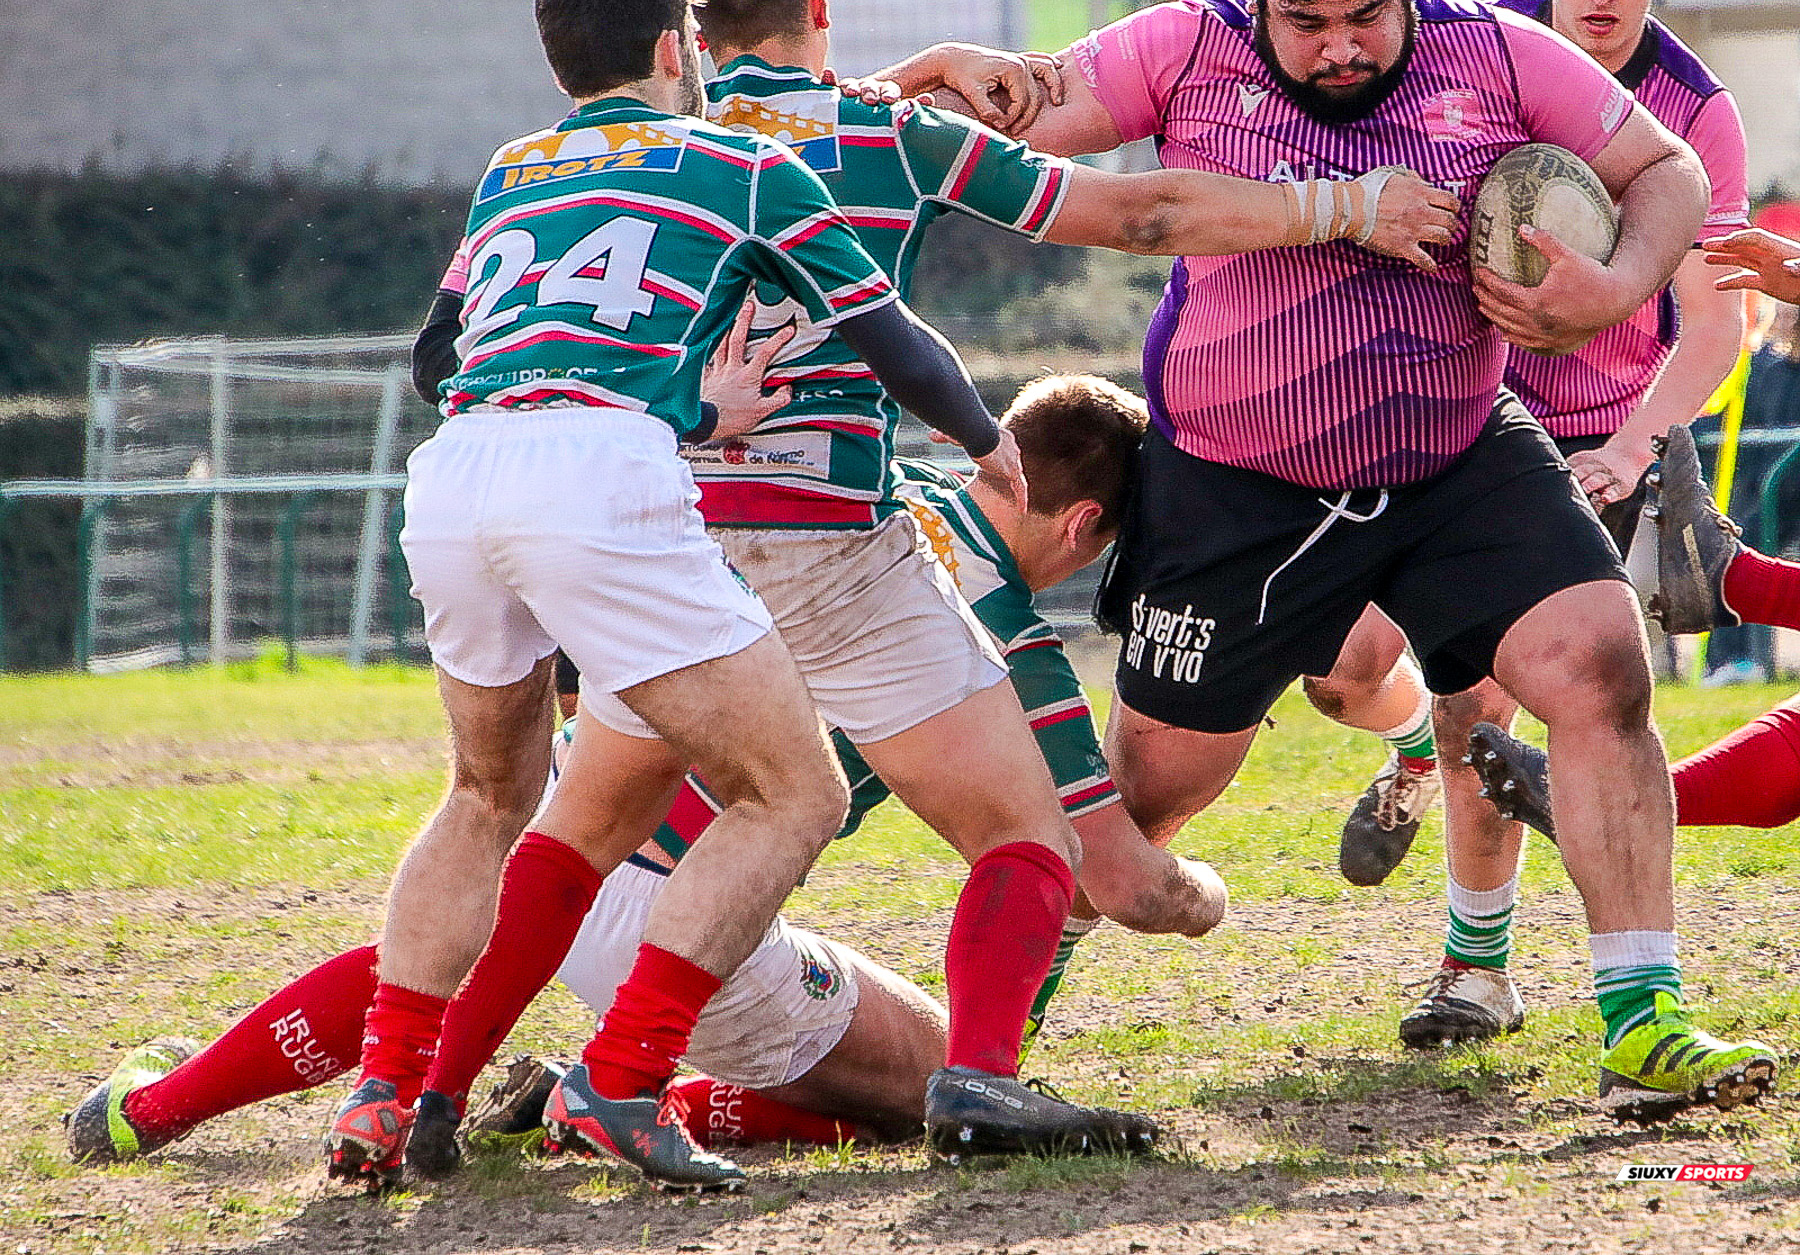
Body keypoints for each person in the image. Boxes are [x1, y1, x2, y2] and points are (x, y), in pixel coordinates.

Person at [397, 0, 1460, 1180]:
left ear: (684, 27)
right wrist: (1336, 209)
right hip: (837, 549)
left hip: (666, 545)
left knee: (568, 832)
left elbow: (468, 344)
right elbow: (1141, 216)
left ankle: (429, 1086)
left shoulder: (636, 144)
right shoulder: (884, 134)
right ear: (821, 2)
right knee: (1025, 836)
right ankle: (971, 1082)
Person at [886, 0, 1779, 1124]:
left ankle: (1643, 1015)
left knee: (1601, 664)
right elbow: (997, 139)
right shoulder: (1183, 48)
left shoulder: (1497, 53)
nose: (1341, 48)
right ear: (1260, 4)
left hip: (1457, 458)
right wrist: (912, 86)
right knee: (1141, 804)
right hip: (1239, 493)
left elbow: (1667, 172)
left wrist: (1619, 284)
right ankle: (991, 1038)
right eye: (1307, 26)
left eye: (1367, 15)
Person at [67, 376, 1208, 1164]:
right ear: (1085, 525)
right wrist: (1210, 891)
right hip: (687, 914)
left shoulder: (844, 492)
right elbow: (1119, 881)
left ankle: (149, 1109)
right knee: (929, 1081)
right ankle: (604, 1092)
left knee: (426, 964)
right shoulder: (998, 636)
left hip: (566, 847)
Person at [332, 0, 1039, 1194]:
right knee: (797, 795)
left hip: (456, 475)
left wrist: (666, 412)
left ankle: (385, 1095)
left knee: (487, 798)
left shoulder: (514, 168)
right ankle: (623, 1077)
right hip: (598, 482)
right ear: (677, 47)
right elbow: (894, 339)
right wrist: (991, 440)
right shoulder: (741, 162)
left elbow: (438, 358)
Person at [1304, 0, 1754, 1050]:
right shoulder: (1466, 49)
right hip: (1439, 419)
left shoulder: (1696, 117)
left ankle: (1478, 967)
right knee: (1342, 667)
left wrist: (1632, 442)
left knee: (1495, 703)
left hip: (1590, 442)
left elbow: (1715, 328)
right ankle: (1400, 748)